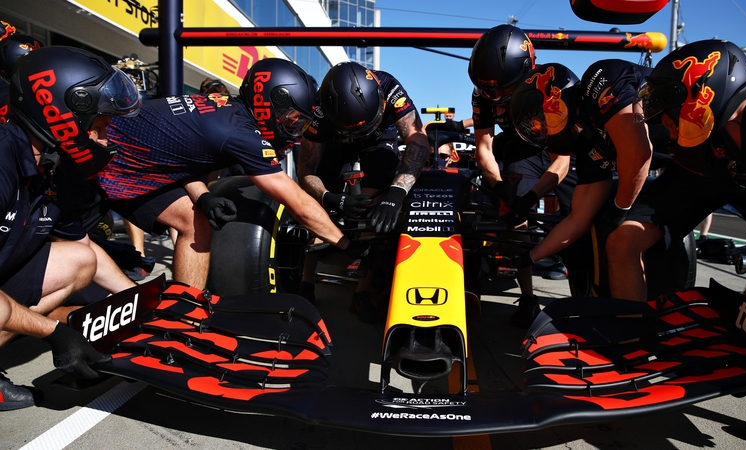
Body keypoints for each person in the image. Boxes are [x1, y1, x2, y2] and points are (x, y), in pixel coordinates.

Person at [84, 57, 362, 289]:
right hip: (93, 164)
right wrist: (344, 243)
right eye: (291, 118)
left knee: (195, 221)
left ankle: (184, 312)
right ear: (270, 103)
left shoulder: (224, 107)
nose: (294, 128)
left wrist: (203, 197)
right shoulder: (242, 134)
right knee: (74, 253)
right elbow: (298, 203)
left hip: (130, 165)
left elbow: (176, 157)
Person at [0, 45, 142, 410]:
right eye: (100, 124)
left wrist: (138, 300)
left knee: (79, 259)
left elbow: (85, 247)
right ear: (62, 113)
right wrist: (54, 332)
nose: (107, 136)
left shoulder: (52, 166)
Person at [605, 39, 746, 303]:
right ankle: (633, 335)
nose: (665, 124)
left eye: (670, 112)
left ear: (707, 92)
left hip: (735, 175)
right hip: (698, 175)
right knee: (622, 242)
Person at [298, 61, 431, 323]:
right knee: (319, 207)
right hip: (335, 142)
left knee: (373, 203)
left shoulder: (390, 87)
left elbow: (418, 139)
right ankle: (306, 282)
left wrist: (396, 192)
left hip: (379, 140)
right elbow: (306, 171)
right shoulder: (318, 111)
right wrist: (329, 198)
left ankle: (361, 293)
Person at [508, 60, 656, 296]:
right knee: (594, 236)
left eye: (540, 124)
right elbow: (578, 219)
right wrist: (529, 257)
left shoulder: (601, 79)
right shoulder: (588, 145)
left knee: (613, 230)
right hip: (689, 171)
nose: (541, 132)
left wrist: (618, 210)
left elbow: (639, 152)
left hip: (716, 151)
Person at [468, 24, 577, 327]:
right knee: (517, 220)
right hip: (521, 147)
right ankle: (529, 297)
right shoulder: (483, 94)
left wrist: (532, 196)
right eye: (491, 89)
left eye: (503, 89)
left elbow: (562, 162)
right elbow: (484, 149)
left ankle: (584, 292)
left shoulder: (550, 86)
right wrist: (501, 187)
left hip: (563, 148)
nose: (496, 95)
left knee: (582, 214)